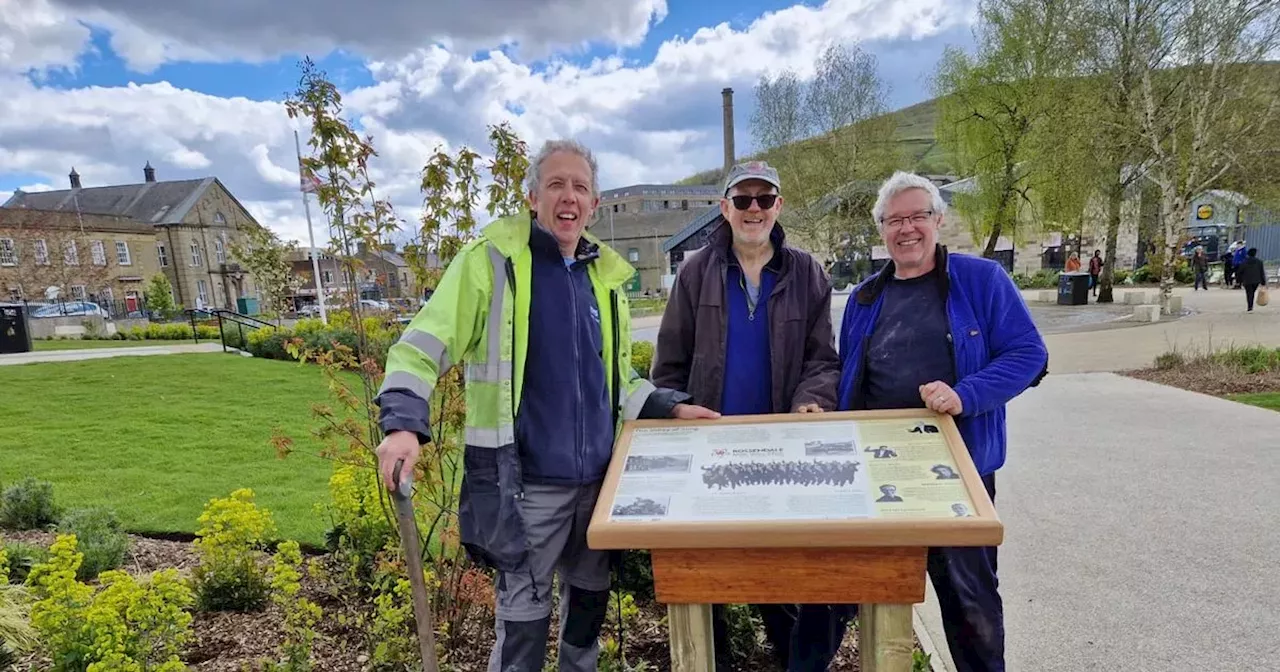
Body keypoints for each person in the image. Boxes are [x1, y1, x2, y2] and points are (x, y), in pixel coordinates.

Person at [373, 139, 719, 672]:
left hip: (597, 490)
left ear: (595, 205)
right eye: (556, 184)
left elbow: (614, 379)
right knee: (523, 625)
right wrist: (402, 424)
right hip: (526, 485)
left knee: (587, 613)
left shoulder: (603, 279)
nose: (568, 197)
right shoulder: (493, 263)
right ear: (532, 196)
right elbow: (422, 345)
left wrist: (666, 408)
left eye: (580, 187)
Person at [834, 171, 1049, 672]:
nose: (906, 229)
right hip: (882, 471)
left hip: (959, 472)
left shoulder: (981, 280)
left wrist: (964, 393)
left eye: (917, 217)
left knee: (970, 602)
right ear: (882, 230)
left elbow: (1028, 355)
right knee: (870, 591)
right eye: (894, 220)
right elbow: (849, 378)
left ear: (938, 221)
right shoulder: (864, 298)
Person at [651, 159, 842, 672]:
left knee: (778, 563)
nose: (753, 209)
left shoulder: (807, 272)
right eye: (743, 200)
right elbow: (668, 363)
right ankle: (717, 659)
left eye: (764, 199)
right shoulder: (694, 272)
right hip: (711, 448)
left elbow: (823, 358)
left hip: (782, 450)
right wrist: (673, 410)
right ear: (725, 208)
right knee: (710, 567)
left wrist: (812, 400)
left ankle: (787, 655)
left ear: (778, 206)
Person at [1236, 247, 1268, 312]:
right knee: (1252, 292)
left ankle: (1250, 306)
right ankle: (1250, 305)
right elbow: (1261, 272)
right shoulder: (1259, 262)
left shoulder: (1244, 262)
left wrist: (1238, 280)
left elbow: (1240, 272)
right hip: (1256, 280)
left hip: (1247, 280)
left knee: (1249, 293)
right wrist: (1263, 282)